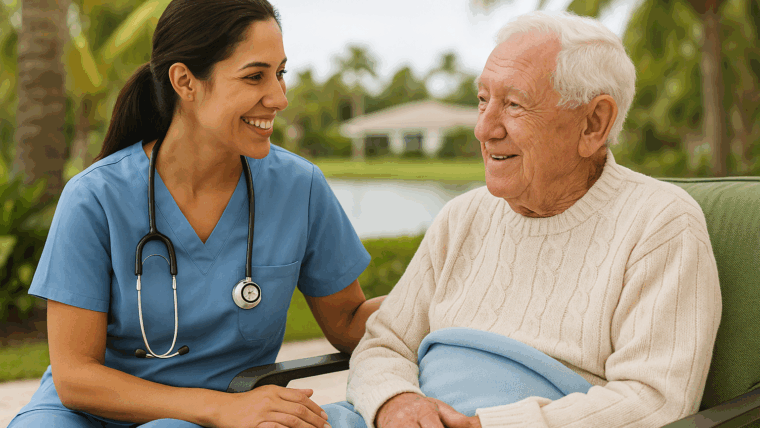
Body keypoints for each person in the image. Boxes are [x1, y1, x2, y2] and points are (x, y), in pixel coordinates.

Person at [322, 11, 722, 428]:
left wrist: (486, 425)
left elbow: (653, 400)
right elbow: (384, 342)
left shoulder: (659, 223)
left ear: (593, 123)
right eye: (482, 100)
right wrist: (395, 402)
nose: (484, 128)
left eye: (513, 104)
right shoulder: (463, 216)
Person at [9, 1, 384, 427]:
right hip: (88, 412)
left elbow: (349, 322)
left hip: (215, 414)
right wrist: (222, 409)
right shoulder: (94, 197)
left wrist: (445, 292)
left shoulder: (299, 188)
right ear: (185, 81)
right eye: (254, 76)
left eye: (280, 73)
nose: (279, 98)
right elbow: (75, 377)